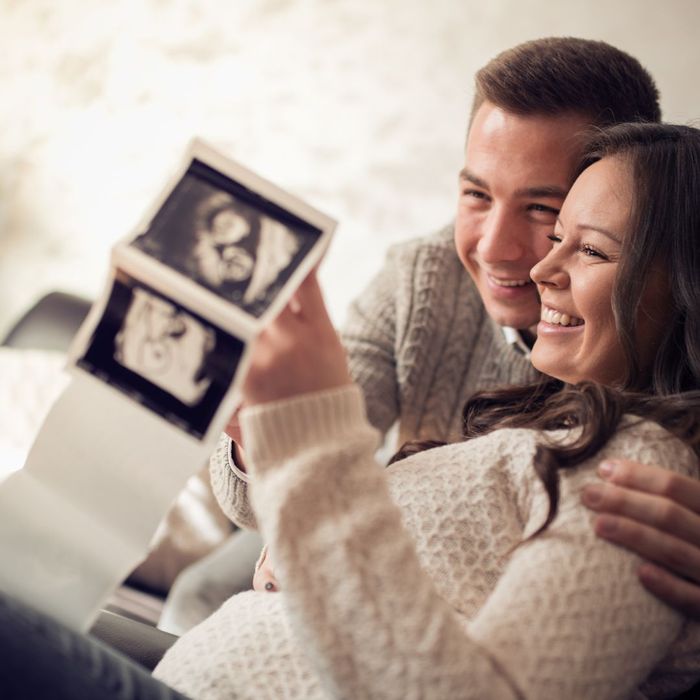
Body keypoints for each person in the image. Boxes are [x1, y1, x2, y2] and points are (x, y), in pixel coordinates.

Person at [6, 119, 698, 698]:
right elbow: (297, 517)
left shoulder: (646, 476)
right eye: (477, 194)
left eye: (586, 245)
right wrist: (263, 444)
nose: (530, 263)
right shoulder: (437, 296)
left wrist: (314, 460)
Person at [207, 36, 700, 618]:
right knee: (203, 590)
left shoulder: (651, 427)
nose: (497, 249)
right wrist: (263, 433)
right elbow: (298, 460)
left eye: (546, 211)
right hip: (360, 565)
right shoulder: (420, 277)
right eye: (476, 194)